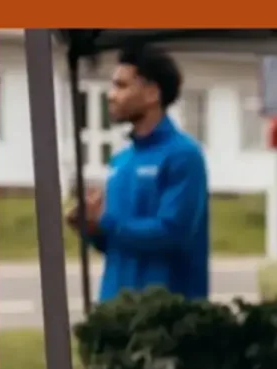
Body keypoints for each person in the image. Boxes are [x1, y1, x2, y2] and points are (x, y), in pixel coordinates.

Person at [67, 45, 210, 302]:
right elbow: (116, 241)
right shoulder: (122, 161)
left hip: (166, 317)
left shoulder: (184, 154)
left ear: (152, 93)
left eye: (121, 86)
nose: (111, 95)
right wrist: (89, 226)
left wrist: (105, 223)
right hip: (115, 310)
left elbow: (172, 233)